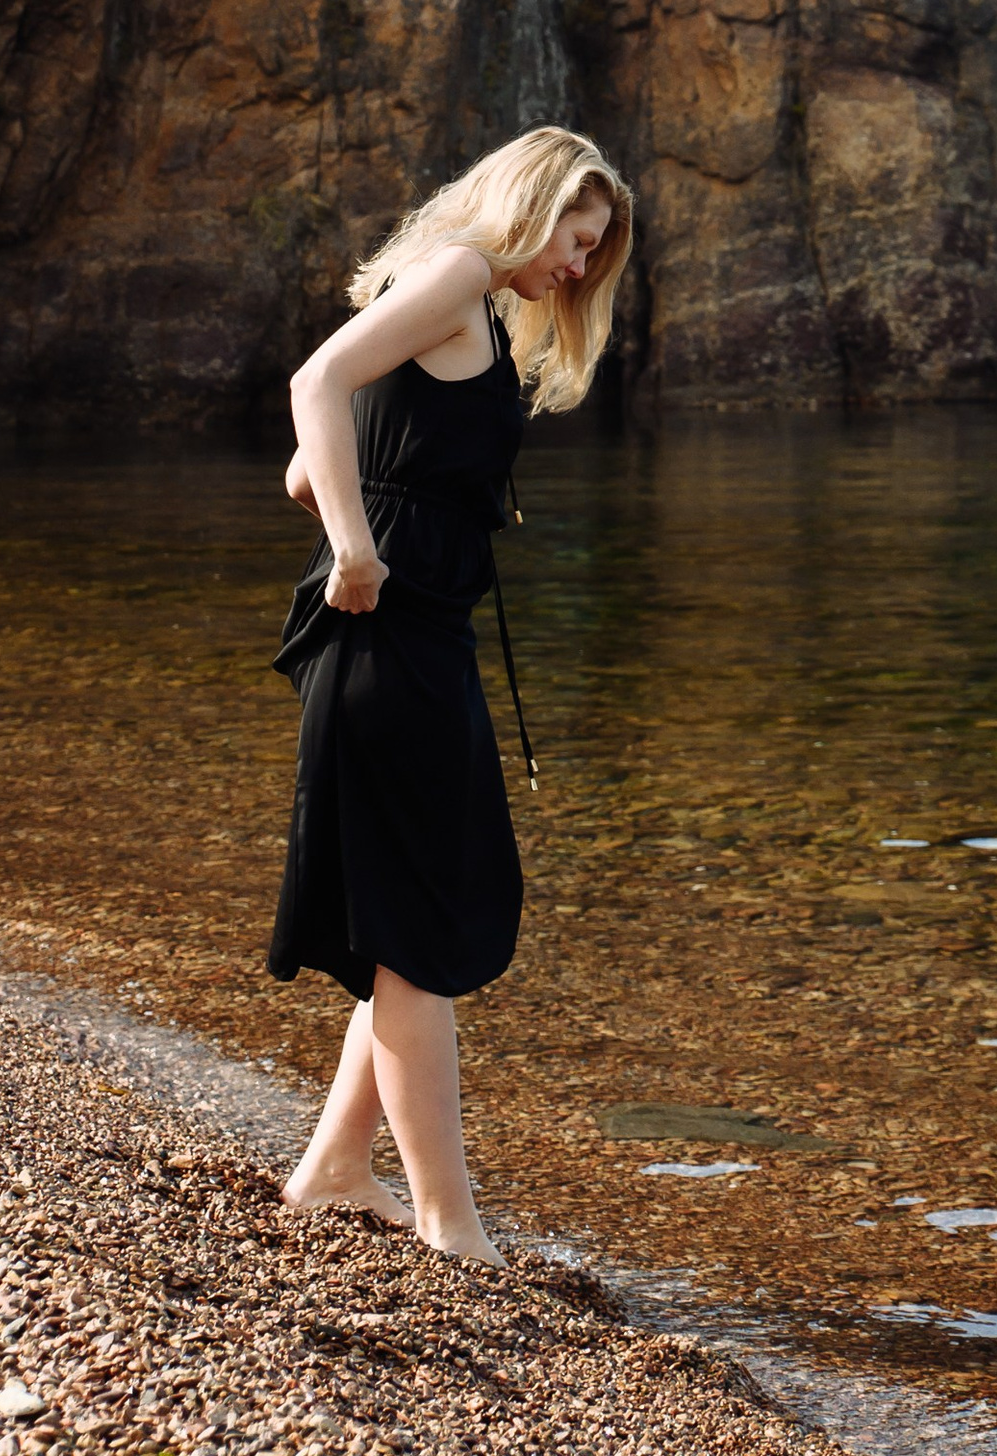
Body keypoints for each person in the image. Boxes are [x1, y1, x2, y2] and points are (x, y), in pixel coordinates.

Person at [268, 124, 634, 1261]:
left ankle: (334, 1167)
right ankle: (449, 1220)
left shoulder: (457, 298)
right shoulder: (461, 274)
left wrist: (358, 511)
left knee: (413, 913)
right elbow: (311, 382)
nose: (577, 268)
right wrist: (357, 550)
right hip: (388, 636)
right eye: (575, 239)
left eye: (591, 252)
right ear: (528, 205)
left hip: (417, 639)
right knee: (423, 928)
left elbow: (307, 454)